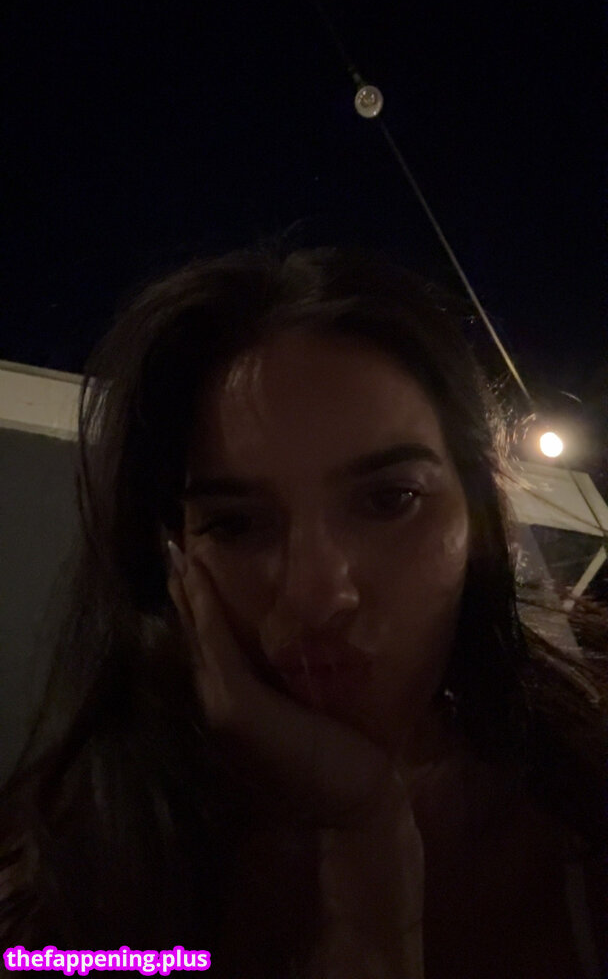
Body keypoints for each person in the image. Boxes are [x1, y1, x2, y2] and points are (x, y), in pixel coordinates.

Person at [0, 239, 606, 978]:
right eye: (236, 524)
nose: (320, 597)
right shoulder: (62, 883)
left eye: (390, 500)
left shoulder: (581, 804)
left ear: (480, 522)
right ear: (167, 560)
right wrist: (364, 845)